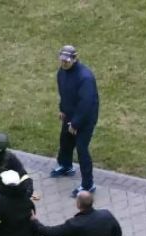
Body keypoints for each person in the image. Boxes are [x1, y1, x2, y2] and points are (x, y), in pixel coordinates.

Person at [50, 45, 100, 197]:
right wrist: (62, 110)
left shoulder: (85, 77)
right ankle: (65, 166)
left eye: (67, 61)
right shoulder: (62, 73)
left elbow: (86, 103)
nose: (64, 63)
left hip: (85, 118)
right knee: (65, 141)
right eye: (62, 60)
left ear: (75, 58)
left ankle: (88, 184)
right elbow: (64, 94)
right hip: (70, 115)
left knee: (81, 148)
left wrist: (76, 123)